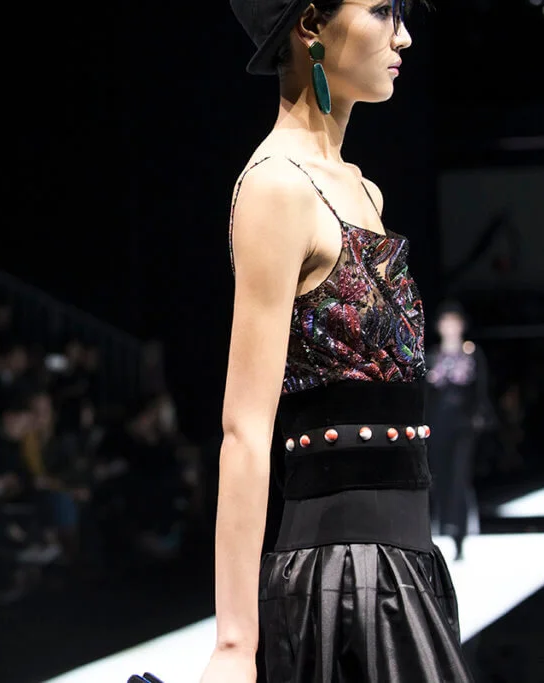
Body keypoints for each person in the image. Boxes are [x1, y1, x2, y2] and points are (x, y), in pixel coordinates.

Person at [200, 2, 472, 682]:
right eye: (381, 10)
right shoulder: (276, 187)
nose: (403, 35)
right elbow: (244, 427)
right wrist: (234, 643)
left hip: (405, 567)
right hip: (340, 585)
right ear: (310, 25)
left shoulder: (363, 191)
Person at [425, 301, 490, 561]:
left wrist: (478, 417)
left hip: (464, 425)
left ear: (461, 325)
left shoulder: (472, 354)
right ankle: (445, 528)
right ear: (439, 326)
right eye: (446, 322)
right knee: (440, 478)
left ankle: (459, 534)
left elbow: (481, 389)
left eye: (454, 322)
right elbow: (426, 395)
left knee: (459, 477)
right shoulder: (432, 356)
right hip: (437, 424)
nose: (450, 327)